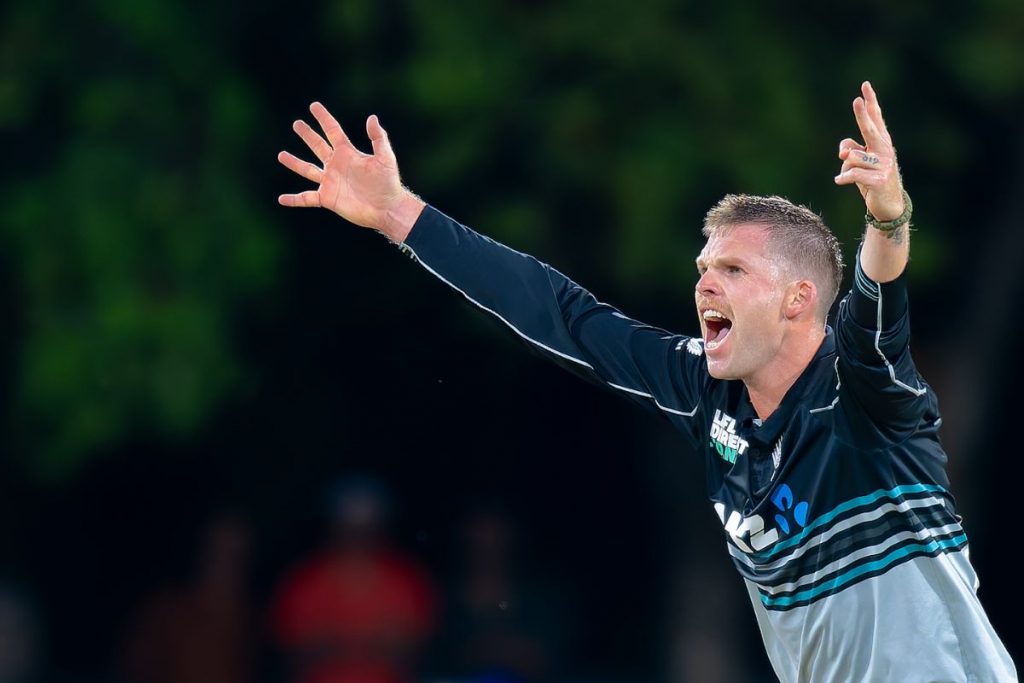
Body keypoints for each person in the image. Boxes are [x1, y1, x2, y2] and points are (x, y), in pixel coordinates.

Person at [276, 82, 1017, 681]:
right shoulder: (706, 392)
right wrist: (399, 213)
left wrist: (888, 216)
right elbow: (562, 315)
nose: (706, 284)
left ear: (797, 300)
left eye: (733, 269)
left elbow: (879, 294)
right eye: (703, 269)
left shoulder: (863, 391)